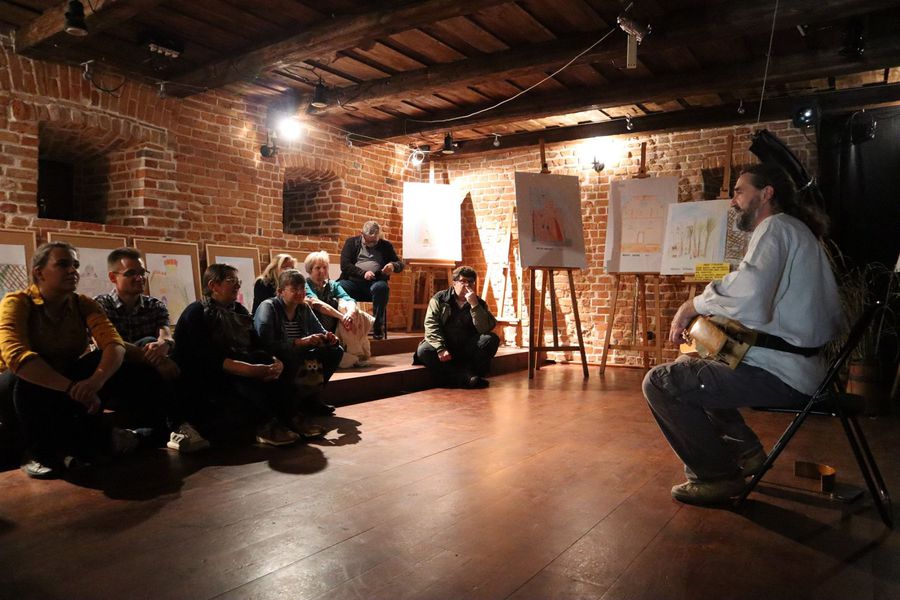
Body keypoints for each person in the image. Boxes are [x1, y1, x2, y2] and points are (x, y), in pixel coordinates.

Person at [643, 164, 842, 505]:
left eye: (739, 191)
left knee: (660, 382)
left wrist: (692, 305)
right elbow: (760, 300)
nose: (733, 201)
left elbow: (750, 294)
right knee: (694, 361)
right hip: (798, 368)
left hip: (784, 375)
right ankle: (746, 452)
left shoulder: (776, 227)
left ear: (766, 194)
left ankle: (716, 476)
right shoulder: (792, 230)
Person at [0, 242, 150, 478]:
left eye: (75, 265)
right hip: (21, 383)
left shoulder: (82, 303)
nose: (72, 270)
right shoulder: (17, 302)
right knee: (23, 379)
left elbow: (113, 344)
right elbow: (17, 356)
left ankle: (166, 427)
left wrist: (95, 382)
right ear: (39, 272)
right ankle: (37, 454)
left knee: (104, 361)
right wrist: (72, 388)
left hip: (65, 379)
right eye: (63, 264)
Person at [172, 264, 301, 446]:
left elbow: (257, 342)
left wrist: (275, 361)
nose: (238, 285)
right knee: (250, 371)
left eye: (238, 281)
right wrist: (250, 370)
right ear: (213, 285)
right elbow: (206, 357)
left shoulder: (238, 310)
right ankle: (265, 425)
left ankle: (289, 417)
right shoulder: (197, 312)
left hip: (237, 362)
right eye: (231, 280)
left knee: (278, 358)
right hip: (208, 373)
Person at [94, 247, 208, 453]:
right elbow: (108, 343)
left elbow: (166, 334)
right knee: (148, 342)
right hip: (115, 375)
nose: (139, 278)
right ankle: (179, 424)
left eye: (142, 273)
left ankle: (138, 436)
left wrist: (165, 343)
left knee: (182, 357)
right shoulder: (100, 305)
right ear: (113, 277)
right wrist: (157, 358)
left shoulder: (154, 305)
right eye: (131, 273)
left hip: (148, 376)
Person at [254, 269, 343, 418]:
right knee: (291, 358)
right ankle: (292, 406)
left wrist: (329, 338)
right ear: (281, 291)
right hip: (277, 355)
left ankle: (312, 396)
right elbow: (266, 343)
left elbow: (320, 331)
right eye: (294, 289)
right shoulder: (268, 307)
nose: (300, 293)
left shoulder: (303, 308)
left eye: (302, 288)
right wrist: (299, 342)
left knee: (336, 351)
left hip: (301, 351)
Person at [413, 266, 500, 389]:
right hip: (446, 345)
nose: (467, 285)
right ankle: (466, 377)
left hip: (467, 346)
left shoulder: (479, 303)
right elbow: (431, 325)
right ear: (454, 283)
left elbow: (485, 328)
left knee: (490, 339)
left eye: (470, 282)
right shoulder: (440, 299)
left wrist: (474, 305)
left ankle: (465, 375)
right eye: (463, 281)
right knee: (424, 350)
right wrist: (440, 348)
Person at [304, 251, 375, 368]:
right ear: (310, 269)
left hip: (339, 323)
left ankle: (352, 351)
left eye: (325, 267)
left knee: (348, 307)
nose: (322, 271)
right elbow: (317, 304)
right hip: (318, 325)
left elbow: (349, 299)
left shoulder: (333, 285)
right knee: (342, 308)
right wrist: (341, 317)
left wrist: (349, 314)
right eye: (318, 268)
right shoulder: (306, 284)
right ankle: (353, 353)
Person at [336, 221, 404, 339]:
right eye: (368, 241)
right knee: (338, 286)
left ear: (379, 236)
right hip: (354, 283)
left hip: (375, 283)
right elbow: (345, 265)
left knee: (382, 287)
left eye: (374, 241)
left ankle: (378, 326)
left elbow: (400, 264)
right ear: (362, 234)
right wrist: (363, 273)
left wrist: (393, 266)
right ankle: (340, 325)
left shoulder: (386, 246)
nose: (371, 244)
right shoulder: (351, 243)